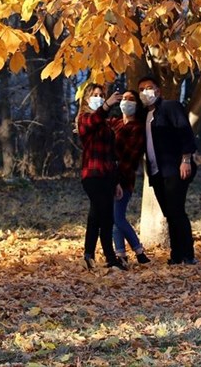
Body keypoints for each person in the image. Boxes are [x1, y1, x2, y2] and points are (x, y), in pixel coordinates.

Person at [137, 75, 198, 265]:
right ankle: (176, 254)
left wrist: (186, 159)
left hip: (176, 168)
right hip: (156, 173)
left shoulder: (170, 107)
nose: (146, 92)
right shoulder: (144, 115)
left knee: (177, 211)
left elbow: (185, 132)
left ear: (158, 91)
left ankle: (187, 254)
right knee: (169, 213)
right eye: (142, 89)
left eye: (149, 87)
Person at [75, 82, 127, 271]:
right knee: (106, 217)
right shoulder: (84, 119)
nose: (98, 97)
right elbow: (93, 121)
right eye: (94, 94)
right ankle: (110, 257)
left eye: (101, 94)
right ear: (87, 99)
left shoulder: (105, 124)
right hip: (93, 175)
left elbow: (112, 155)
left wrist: (117, 182)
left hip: (108, 175)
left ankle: (88, 255)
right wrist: (107, 105)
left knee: (95, 216)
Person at [108, 89, 150, 265]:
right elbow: (95, 122)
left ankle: (139, 251)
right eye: (123, 98)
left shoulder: (138, 128)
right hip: (109, 175)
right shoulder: (115, 123)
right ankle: (121, 255)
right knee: (113, 217)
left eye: (130, 99)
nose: (126, 101)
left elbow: (130, 157)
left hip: (124, 177)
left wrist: (117, 178)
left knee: (118, 217)